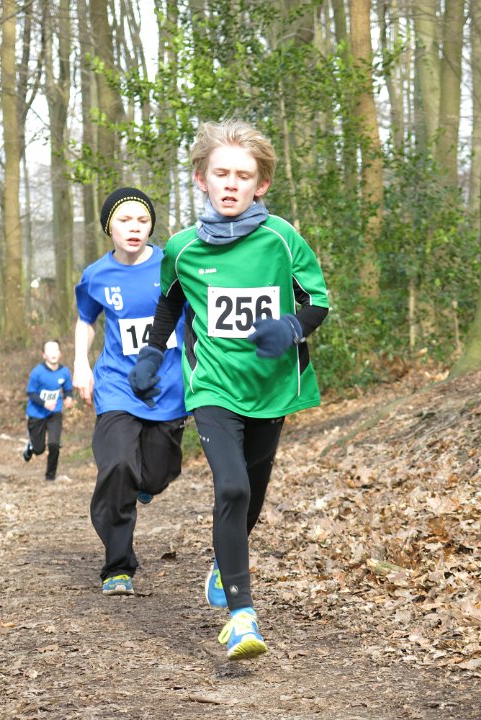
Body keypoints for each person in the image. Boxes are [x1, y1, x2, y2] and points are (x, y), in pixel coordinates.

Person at [128, 121, 329, 659]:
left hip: (272, 386)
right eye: (222, 173)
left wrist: (291, 327)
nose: (232, 183)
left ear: (261, 183)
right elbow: (170, 302)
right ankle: (242, 617)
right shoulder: (182, 248)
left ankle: (225, 558)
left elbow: (318, 301)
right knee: (232, 488)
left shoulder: (282, 238)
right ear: (201, 178)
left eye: (244, 175)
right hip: (213, 386)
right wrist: (152, 352)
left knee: (252, 497)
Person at [73, 187, 187, 597]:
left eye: (142, 220)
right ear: (109, 227)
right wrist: (81, 363)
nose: (134, 227)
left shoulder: (174, 264)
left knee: (156, 474)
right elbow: (86, 319)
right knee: (118, 466)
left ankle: (146, 483)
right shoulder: (97, 275)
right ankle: (117, 567)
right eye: (125, 220)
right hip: (117, 384)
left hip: (168, 387)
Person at [23, 339, 73, 481]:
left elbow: (67, 388)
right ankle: (31, 447)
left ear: (60, 353)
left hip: (54, 413)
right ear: (44, 355)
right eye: (49, 351)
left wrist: (68, 397)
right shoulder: (37, 372)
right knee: (39, 449)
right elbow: (31, 393)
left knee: (54, 444)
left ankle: (50, 476)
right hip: (36, 414)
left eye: (56, 350)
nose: (53, 353)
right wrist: (44, 403)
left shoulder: (64, 372)